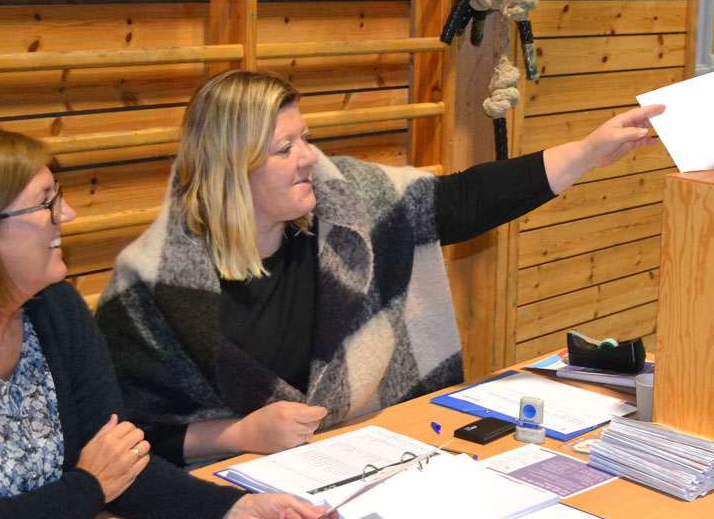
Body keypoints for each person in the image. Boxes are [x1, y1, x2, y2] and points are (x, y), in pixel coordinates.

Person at [95, 70, 664, 466]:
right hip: (231, 488)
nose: (308, 159)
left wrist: (588, 153)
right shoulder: (150, 285)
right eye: (283, 147)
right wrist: (241, 433)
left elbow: (462, 201)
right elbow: (132, 433)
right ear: (227, 170)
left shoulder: (344, 202)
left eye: (306, 138)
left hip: (369, 455)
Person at [0, 128, 330, 519]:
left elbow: (122, 465)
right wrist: (88, 487)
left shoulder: (55, 308)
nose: (68, 214)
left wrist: (233, 510)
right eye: (46, 203)